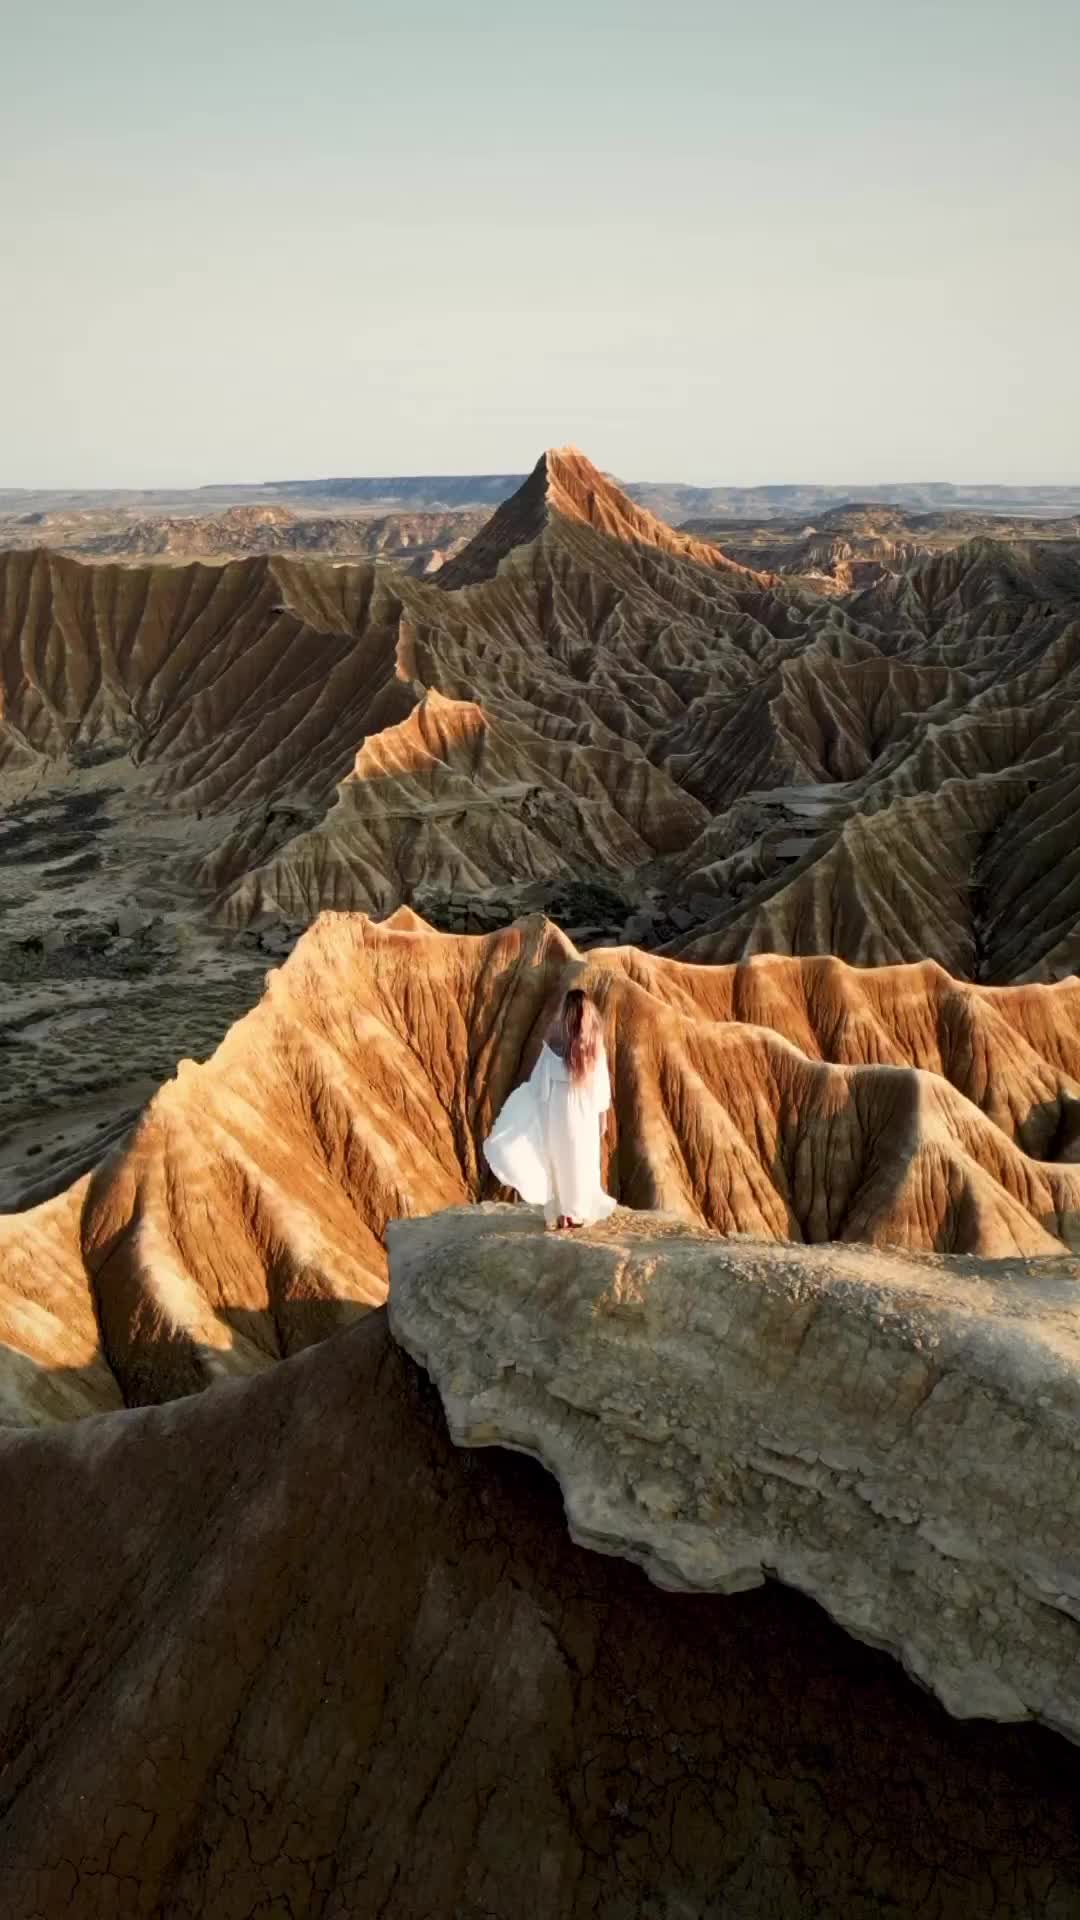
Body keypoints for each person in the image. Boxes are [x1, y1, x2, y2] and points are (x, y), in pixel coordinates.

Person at [483, 987, 617, 1230]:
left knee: (559, 1160)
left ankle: (563, 1213)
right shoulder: (594, 1039)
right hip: (584, 1108)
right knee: (580, 1159)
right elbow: (600, 1082)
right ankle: (575, 1213)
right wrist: (602, 1114)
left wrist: (532, 1102)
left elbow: (541, 1077)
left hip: (557, 1107)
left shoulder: (555, 1034)